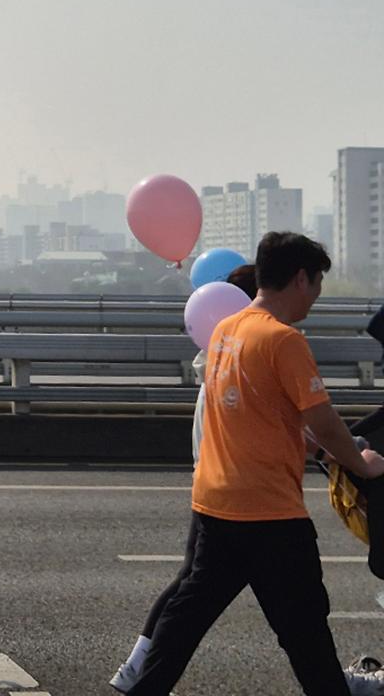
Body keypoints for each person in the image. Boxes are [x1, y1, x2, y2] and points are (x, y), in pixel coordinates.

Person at [126, 233, 384, 696]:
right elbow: (324, 422)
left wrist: (321, 452)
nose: (316, 296)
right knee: (306, 633)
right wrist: (362, 465)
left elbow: (264, 415)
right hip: (270, 516)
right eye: (317, 283)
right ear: (301, 278)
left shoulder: (226, 330)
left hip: (215, 507)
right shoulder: (283, 340)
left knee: (184, 621)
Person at [110, 263, 257, 691]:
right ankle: (140, 673)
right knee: (193, 590)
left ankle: (138, 671)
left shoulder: (218, 359)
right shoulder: (231, 365)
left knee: (192, 586)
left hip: (217, 487)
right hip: (229, 494)